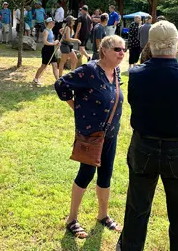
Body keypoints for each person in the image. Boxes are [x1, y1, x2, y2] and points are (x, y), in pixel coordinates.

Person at [118, 21, 178, 251]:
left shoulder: (136, 74)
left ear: (149, 45)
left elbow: (135, 102)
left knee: (137, 208)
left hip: (144, 145)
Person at [55, 35, 126, 238]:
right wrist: (77, 108)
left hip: (110, 135)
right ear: (104, 50)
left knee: (106, 175)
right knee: (86, 175)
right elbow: (61, 85)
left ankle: (103, 216)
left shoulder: (116, 70)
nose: (122, 53)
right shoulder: (90, 70)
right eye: (117, 49)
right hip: (91, 135)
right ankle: (72, 219)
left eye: (124, 50)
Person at [33, 18, 59, 85]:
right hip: (46, 50)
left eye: (54, 23)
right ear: (49, 23)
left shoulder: (51, 30)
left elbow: (51, 41)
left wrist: (56, 42)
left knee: (55, 65)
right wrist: (53, 43)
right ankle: (36, 78)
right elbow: (45, 42)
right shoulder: (46, 31)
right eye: (52, 23)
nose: (53, 24)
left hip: (51, 49)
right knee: (43, 66)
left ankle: (58, 81)